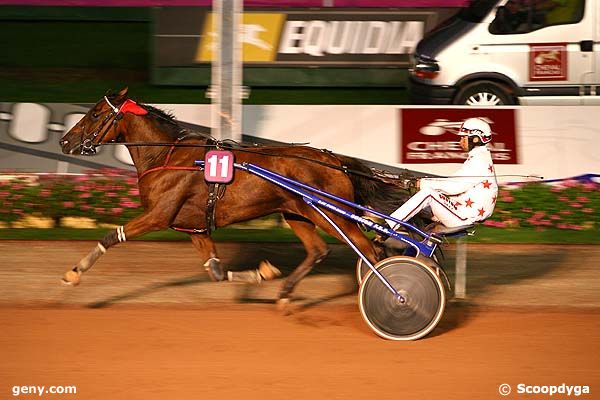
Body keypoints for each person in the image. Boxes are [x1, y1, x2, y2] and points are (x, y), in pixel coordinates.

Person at [387, 117, 498, 230]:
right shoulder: (479, 158)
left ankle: (389, 226)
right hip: (461, 212)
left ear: (475, 139)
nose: (460, 142)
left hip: (464, 216)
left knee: (428, 194)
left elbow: (454, 187)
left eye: (463, 137)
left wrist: (421, 183)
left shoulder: (479, 161)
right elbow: (453, 181)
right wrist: (422, 182)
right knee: (415, 199)